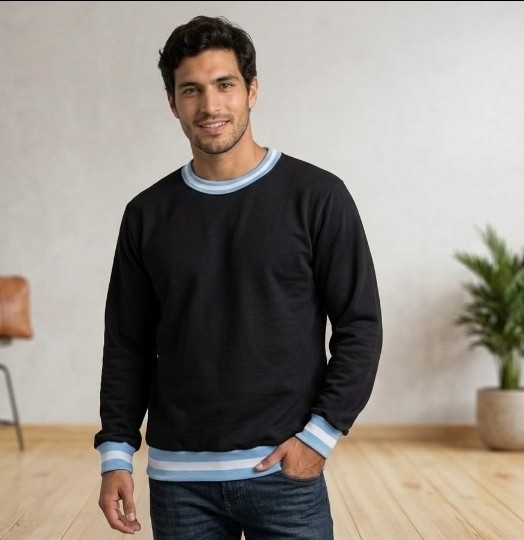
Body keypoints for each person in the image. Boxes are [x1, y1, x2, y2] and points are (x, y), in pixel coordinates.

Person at [94, 15, 383, 539]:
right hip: (179, 484)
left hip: (286, 475)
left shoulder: (317, 197)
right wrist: (116, 453)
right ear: (172, 102)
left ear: (252, 90)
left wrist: (320, 437)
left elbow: (360, 325)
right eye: (191, 90)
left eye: (224, 84)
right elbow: (127, 343)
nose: (210, 106)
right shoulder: (146, 214)